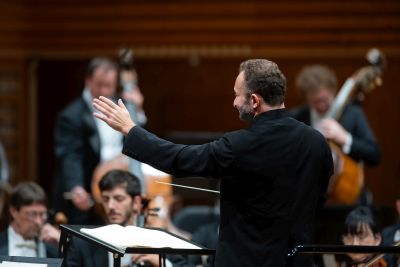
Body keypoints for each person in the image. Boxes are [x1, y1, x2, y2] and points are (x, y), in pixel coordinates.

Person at [92, 59, 334, 267]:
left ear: (255, 101)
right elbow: (319, 198)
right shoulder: (317, 142)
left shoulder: (240, 146)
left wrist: (130, 129)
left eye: (238, 95)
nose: (234, 102)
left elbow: (180, 159)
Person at [53, 57, 147, 224]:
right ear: (88, 81)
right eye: (99, 84)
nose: (104, 90)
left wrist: (137, 111)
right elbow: (70, 156)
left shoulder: (123, 106)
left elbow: (139, 140)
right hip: (91, 190)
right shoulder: (71, 116)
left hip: (122, 184)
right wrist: (76, 187)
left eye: (109, 85)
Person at [291, 64, 380, 204]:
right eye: (315, 102)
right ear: (306, 98)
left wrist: (345, 138)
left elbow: (374, 155)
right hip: (309, 202)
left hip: (349, 200)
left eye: (325, 100)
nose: (321, 106)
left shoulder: (353, 113)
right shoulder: (297, 118)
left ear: (333, 92)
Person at [65, 169, 185, 267]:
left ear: (136, 203)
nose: (110, 206)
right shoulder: (82, 243)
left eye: (119, 199)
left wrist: (163, 264)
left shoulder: (159, 241)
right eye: (106, 199)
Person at [0, 182, 60, 257]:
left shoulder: (54, 245)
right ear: (14, 212)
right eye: (32, 214)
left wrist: (62, 245)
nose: (38, 222)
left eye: (42, 214)